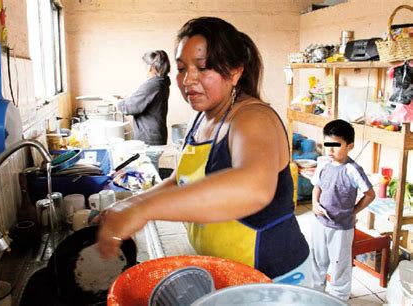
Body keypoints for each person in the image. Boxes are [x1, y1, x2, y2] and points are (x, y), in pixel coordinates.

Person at [96, 16, 310, 285]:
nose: (188, 80)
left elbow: (254, 189)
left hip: (273, 279)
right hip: (227, 273)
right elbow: (180, 180)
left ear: (235, 72)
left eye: (203, 67)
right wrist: (132, 203)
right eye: (182, 68)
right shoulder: (203, 116)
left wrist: (144, 210)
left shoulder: (253, 119)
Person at [310, 119, 375, 301]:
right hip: (319, 223)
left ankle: (339, 298)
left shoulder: (352, 170)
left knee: (339, 264)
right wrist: (315, 204)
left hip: (341, 228)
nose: (330, 150)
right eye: (327, 144)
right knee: (317, 260)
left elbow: (370, 194)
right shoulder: (323, 164)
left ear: (350, 146)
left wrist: (353, 212)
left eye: (336, 145)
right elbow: (317, 186)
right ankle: (316, 294)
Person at [117, 50, 171, 145]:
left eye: (143, 65)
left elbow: (129, 108)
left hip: (148, 138)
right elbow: (147, 100)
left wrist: (112, 100)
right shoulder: (162, 82)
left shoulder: (152, 85)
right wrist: (130, 97)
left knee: (147, 160)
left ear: (150, 67)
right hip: (156, 134)